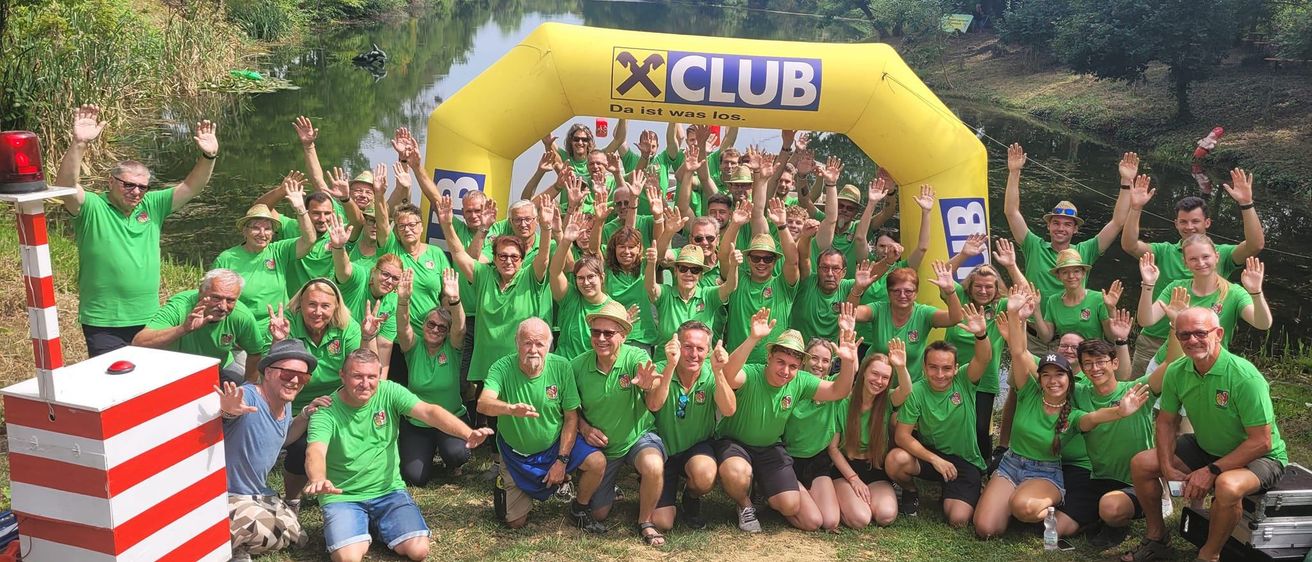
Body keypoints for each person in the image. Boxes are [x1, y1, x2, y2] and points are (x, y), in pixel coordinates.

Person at [1120, 307, 1288, 562]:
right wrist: (1166, 465)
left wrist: (1211, 471)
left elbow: (1261, 441)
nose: (1192, 340)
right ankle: (1156, 538)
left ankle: (1209, 555)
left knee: (1227, 486)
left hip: (1260, 457)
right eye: (1184, 335)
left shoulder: (1244, 377)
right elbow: (1166, 422)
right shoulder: (1176, 370)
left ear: (1218, 334)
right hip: (1207, 446)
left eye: (1200, 333)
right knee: (1142, 464)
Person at [974, 301, 1150, 539]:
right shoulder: (1029, 392)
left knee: (1022, 507)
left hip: (1047, 470)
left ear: (1071, 379)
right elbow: (1019, 353)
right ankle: (1009, 497)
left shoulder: (1077, 404)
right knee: (986, 529)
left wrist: (1120, 411)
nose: (1053, 380)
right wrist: (1016, 316)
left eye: (1059, 375)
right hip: (1012, 464)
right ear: (1039, 378)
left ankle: (1039, 502)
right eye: (1046, 375)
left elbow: (1093, 417)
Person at [54, 104, 219, 356]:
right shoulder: (93, 207)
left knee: (151, 377)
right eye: (129, 185)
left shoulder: (152, 205)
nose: (136, 192)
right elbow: (65, 186)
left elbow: (191, 187)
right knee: (113, 378)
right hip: (104, 320)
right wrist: (79, 143)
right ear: (111, 181)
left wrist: (209, 157)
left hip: (149, 317)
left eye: (142, 187)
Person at [304, 349, 492, 562]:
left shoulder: (389, 391)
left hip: (388, 492)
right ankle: (362, 526)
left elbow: (429, 412)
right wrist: (318, 478)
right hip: (343, 496)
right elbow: (315, 450)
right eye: (357, 376)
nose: (365, 383)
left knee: (419, 550)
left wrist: (467, 433)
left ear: (379, 375)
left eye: (371, 377)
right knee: (348, 558)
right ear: (343, 375)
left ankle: (372, 525)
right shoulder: (326, 410)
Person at [715, 310, 860, 532]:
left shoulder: (801, 381)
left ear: (799, 366)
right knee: (736, 472)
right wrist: (752, 338)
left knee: (791, 505)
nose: (785, 371)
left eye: (793, 366)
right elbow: (728, 375)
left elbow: (837, 391)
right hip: (736, 443)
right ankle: (745, 504)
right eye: (780, 362)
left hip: (770, 447)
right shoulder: (753, 373)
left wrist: (848, 362)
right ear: (769, 358)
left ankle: (763, 487)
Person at [1121, 166, 1265, 375]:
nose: (1189, 227)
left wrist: (1246, 204)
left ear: (1207, 222)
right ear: (1176, 224)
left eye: (1195, 221)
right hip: (1155, 340)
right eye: (1183, 222)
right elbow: (1130, 245)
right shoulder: (1163, 251)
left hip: (1200, 344)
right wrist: (1135, 208)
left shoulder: (1220, 254)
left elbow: (1255, 245)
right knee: (1142, 392)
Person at [478, 318, 609, 531]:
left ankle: (579, 507)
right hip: (517, 455)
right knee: (514, 523)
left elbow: (571, 418)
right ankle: (507, 481)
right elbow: (483, 404)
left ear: (549, 345)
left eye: (539, 344)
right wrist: (509, 409)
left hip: (554, 446)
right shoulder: (501, 367)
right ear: (516, 343)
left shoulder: (561, 367)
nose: (533, 350)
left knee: (597, 462)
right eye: (527, 343)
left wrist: (562, 460)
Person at [436, 193, 552, 425]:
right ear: (495, 258)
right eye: (503, 256)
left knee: (520, 418)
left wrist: (547, 228)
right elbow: (459, 254)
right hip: (488, 365)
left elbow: (544, 257)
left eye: (514, 257)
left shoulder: (530, 277)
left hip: (519, 363)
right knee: (489, 420)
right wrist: (447, 225)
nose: (508, 261)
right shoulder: (483, 275)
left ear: (522, 260)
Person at [267, 278, 379, 502]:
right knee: (301, 448)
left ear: (336, 307)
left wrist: (367, 337)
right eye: (312, 304)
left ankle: (350, 492)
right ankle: (292, 500)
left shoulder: (347, 327)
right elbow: (271, 376)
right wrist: (278, 342)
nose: (318, 312)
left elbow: (363, 366)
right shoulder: (285, 324)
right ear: (300, 304)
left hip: (336, 403)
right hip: (296, 406)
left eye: (325, 306)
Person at [216, 339, 329, 562]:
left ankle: (236, 534)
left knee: (298, 535)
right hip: (227, 495)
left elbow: (283, 438)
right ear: (268, 372)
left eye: (303, 377)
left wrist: (305, 414)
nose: (294, 381)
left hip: (258, 493)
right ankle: (231, 549)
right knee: (268, 533)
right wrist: (227, 412)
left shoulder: (284, 402)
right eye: (287, 374)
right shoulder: (246, 397)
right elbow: (225, 416)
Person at [571, 301, 667, 546]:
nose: (601, 338)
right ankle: (608, 489)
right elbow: (570, 409)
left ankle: (646, 521)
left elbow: (650, 378)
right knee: (599, 513)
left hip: (637, 437)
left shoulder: (635, 356)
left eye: (609, 333)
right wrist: (584, 427)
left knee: (653, 465)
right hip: (603, 447)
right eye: (596, 332)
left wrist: (649, 385)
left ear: (623, 335)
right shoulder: (577, 365)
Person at [884, 310, 993, 527]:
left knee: (958, 519)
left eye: (946, 368)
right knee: (895, 460)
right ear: (924, 368)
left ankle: (960, 490)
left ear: (956, 368)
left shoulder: (964, 380)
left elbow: (983, 358)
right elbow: (902, 436)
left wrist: (981, 335)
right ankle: (910, 490)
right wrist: (935, 460)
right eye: (933, 367)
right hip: (933, 456)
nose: (940, 374)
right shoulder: (916, 391)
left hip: (965, 460)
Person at [1002, 143, 1129, 300]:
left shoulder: (1085, 251)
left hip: (1071, 316)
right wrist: (1014, 172)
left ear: (1075, 229)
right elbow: (1011, 212)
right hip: (1033, 316)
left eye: (1068, 224)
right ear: (1048, 225)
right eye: (1056, 223)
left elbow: (1118, 222)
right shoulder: (1033, 246)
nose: (1060, 228)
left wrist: (1126, 181)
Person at [1136, 237, 1270, 374]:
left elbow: (1263, 324)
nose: (1201, 263)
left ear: (1217, 257)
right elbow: (1146, 321)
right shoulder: (1176, 288)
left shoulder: (1234, 293)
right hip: (1165, 366)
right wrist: (1148, 285)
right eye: (1193, 259)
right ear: (1185, 263)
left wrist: (1256, 292)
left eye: (1206, 257)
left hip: (1206, 369)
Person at [649, 321, 736, 532]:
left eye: (700, 348)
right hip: (662, 451)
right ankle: (657, 487)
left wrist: (719, 372)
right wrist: (670, 366)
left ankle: (691, 496)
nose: (693, 354)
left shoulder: (711, 373)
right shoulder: (660, 368)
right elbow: (654, 404)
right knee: (662, 523)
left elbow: (729, 409)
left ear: (708, 351)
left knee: (704, 475)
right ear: (677, 345)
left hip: (696, 447)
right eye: (687, 347)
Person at [212, 173, 317, 336]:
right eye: (255, 227)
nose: (262, 233)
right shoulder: (227, 259)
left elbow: (309, 240)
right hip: (240, 332)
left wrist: (301, 209)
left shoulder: (279, 251)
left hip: (279, 329)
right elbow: (211, 298)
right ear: (244, 231)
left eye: (267, 228)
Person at [394, 269, 471, 484]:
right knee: (414, 477)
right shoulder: (413, 346)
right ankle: (427, 451)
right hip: (418, 423)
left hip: (450, 418)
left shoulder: (452, 348)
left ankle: (450, 458)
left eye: (442, 327)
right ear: (424, 325)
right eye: (431, 324)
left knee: (457, 454)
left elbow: (460, 329)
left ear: (447, 332)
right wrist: (403, 301)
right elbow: (403, 328)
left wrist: (454, 300)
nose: (436, 329)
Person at [134, 269, 267, 385]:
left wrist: (249, 389)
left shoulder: (241, 315)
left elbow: (255, 353)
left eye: (230, 300)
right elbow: (139, 342)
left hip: (218, 368)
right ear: (201, 292)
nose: (223, 306)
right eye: (216, 298)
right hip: (174, 371)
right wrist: (183, 329)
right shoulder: (180, 307)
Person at [831, 340, 912, 529]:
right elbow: (833, 448)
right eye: (875, 373)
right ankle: (840, 498)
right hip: (845, 469)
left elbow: (906, 390)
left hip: (874, 467)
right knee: (860, 519)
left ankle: (860, 501)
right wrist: (853, 479)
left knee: (885, 516)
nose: (879, 381)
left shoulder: (887, 401)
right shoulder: (843, 401)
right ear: (864, 372)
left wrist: (901, 367)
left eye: (885, 377)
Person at [854, 262, 964, 380]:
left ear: (916, 293)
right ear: (889, 293)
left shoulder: (923, 313)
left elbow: (956, 318)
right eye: (896, 291)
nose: (902, 295)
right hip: (874, 381)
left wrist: (950, 291)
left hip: (910, 383)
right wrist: (858, 289)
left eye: (908, 291)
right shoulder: (878, 309)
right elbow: (850, 313)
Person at [723, 203, 802, 364]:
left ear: (775, 261)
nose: (761, 262)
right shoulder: (738, 279)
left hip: (772, 366)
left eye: (767, 258)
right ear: (748, 259)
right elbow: (724, 257)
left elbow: (793, 261)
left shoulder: (783, 285)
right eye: (756, 258)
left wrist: (782, 225)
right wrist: (735, 224)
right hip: (738, 365)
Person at [328, 215, 401, 377]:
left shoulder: (392, 302)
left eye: (395, 278)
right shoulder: (360, 277)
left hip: (359, 361)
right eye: (385, 274)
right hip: (331, 351)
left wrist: (380, 385)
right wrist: (339, 248)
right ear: (374, 272)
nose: (389, 281)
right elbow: (344, 270)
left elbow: (383, 348)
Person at [645, 243, 739, 348]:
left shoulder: (707, 295)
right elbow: (651, 288)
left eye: (695, 270)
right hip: (666, 356)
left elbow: (730, 287)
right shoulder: (666, 294)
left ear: (701, 275)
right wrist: (651, 263)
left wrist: (734, 266)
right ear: (675, 271)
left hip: (700, 357)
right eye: (683, 268)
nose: (688, 274)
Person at [1032, 248, 1117, 343]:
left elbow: (1112, 338)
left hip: (1093, 352)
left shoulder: (1099, 299)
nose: (1071, 276)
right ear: (1058, 276)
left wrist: (1111, 309)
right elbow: (1046, 338)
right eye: (1065, 272)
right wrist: (1036, 309)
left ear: (1083, 273)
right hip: (1066, 351)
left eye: (1076, 271)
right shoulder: (1053, 301)